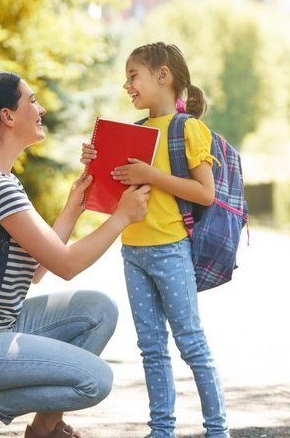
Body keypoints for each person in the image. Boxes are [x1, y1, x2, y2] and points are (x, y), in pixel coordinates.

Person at [0, 71, 150, 438]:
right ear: (7, 116)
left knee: (98, 311)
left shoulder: (1, 181)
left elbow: (36, 271)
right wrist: (122, 217)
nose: (41, 107)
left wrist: (73, 208)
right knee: (95, 380)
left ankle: (45, 429)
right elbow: (66, 265)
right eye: (31, 100)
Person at [81, 42, 229, 438]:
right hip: (133, 252)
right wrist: (95, 163)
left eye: (133, 76)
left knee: (191, 343)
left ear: (162, 75)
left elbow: (205, 193)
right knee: (151, 347)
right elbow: (111, 194)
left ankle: (217, 430)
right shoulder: (136, 133)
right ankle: (162, 429)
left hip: (170, 249)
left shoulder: (189, 128)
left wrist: (151, 174)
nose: (126, 85)